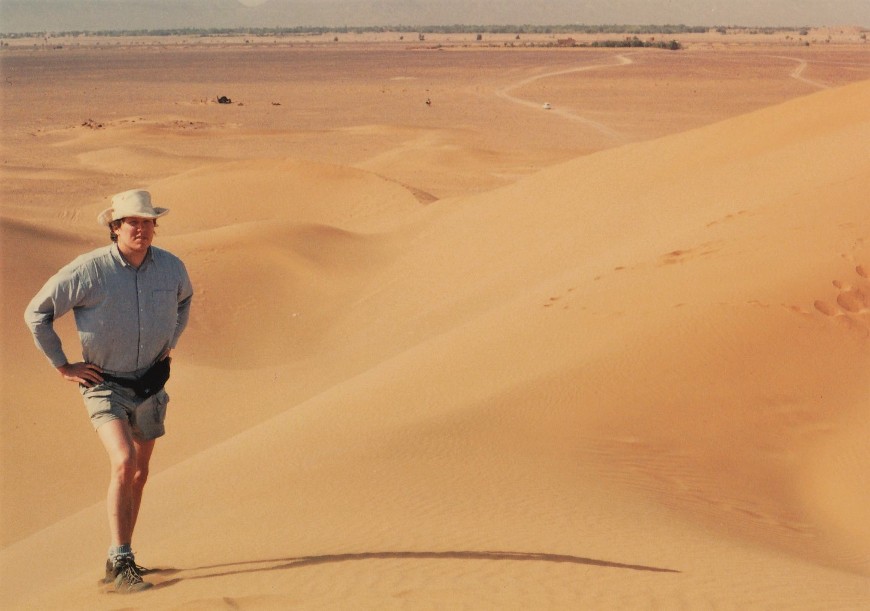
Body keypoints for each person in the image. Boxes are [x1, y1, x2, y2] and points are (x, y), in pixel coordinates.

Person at [24, 189, 193, 593]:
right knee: (123, 461)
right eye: (132, 222)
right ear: (115, 228)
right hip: (105, 384)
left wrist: (171, 338)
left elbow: (185, 301)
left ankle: (123, 555)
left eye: (148, 221)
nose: (141, 228)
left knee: (139, 474)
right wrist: (63, 365)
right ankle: (121, 561)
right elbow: (37, 314)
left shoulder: (171, 268)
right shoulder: (88, 270)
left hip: (152, 382)